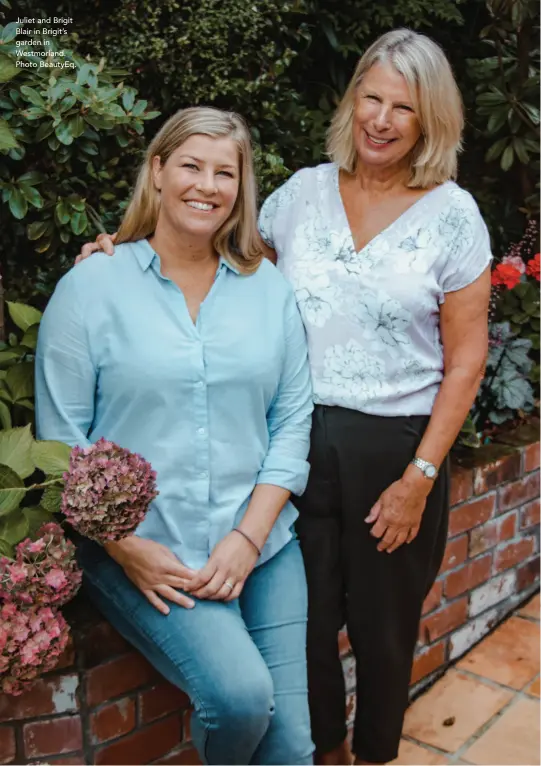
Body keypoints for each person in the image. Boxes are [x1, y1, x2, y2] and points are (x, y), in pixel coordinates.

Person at [78, 28, 492, 766]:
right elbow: (222, 263)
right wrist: (122, 250)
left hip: (394, 450)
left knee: (383, 628)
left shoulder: (453, 214)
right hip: (292, 445)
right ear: (350, 98)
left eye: (404, 107)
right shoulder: (300, 195)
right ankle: (321, 756)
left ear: (429, 122)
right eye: (371, 96)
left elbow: (464, 361)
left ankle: (374, 757)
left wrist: (419, 478)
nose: (382, 118)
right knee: (303, 635)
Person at [35, 106, 315, 766]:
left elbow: (291, 420)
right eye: (191, 165)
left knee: (291, 748)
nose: (207, 185)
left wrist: (248, 538)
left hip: (262, 543)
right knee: (242, 699)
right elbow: (61, 444)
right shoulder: (91, 287)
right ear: (157, 171)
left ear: (239, 188)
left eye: (225, 172)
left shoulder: (266, 289)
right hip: (151, 557)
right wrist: (126, 549)